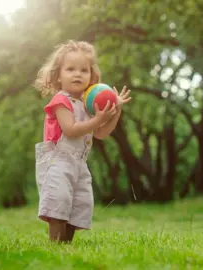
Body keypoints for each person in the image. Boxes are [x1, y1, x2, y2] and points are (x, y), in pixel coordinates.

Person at [33, 40, 131, 243]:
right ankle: (55, 244)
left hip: (78, 162)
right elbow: (70, 130)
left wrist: (116, 110)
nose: (77, 74)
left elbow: (101, 133)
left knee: (79, 203)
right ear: (58, 75)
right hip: (57, 161)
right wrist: (97, 120)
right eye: (70, 69)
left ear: (92, 76)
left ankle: (66, 245)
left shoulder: (88, 105)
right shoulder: (61, 100)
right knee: (59, 201)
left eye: (83, 70)